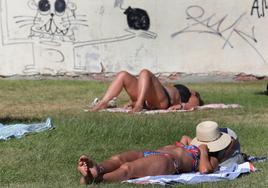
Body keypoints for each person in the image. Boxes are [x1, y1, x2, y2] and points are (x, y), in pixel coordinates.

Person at [77, 121, 239, 184]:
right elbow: (184, 138)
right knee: (119, 158)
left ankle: (97, 179)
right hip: (152, 153)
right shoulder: (192, 144)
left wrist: (203, 152)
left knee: (128, 168)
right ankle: (97, 169)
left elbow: (205, 171)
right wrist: (197, 145)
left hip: (168, 162)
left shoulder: (211, 159)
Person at [90, 69, 203, 112]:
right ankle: (103, 102)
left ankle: (139, 104)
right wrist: (130, 103)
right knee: (123, 74)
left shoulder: (191, 94)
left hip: (162, 101)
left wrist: (181, 106)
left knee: (145, 73)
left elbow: (194, 104)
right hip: (149, 97)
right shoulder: (175, 87)